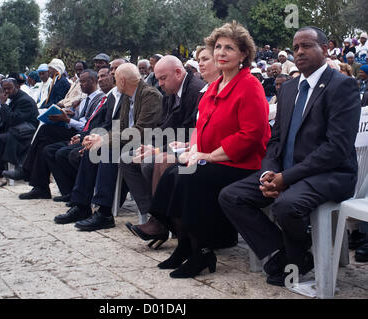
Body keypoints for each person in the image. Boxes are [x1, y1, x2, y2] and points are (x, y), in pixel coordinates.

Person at [219, 26, 361, 287]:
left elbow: (336, 148)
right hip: (286, 172)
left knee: (287, 205)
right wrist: (268, 173)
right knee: (231, 196)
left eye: (306, 45)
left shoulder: (342, 86)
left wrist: (286, 178)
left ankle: (294, 256)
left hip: (329, 174)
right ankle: (285, 253)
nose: (299, 52)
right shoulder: (289, 88)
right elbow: (276, 140)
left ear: (326, 49)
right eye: (295, 47)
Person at [146, 22, 271, 279]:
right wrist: (194, 151)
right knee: (172, 175)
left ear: (243, 54)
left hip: (241, 164)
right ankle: (184, 245)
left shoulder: (250, 85)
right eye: (218, 47)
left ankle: (202, 250)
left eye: (229, 48)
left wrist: (207, 156)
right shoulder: (213, 87)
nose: (221, 53)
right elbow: (202, 129)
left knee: (189, 177)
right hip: (213, 161)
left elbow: (251, 135)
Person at [53, 63, 163, 231]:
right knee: (93, 149)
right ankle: (81, 205)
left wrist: (104, 141)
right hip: (127, 141)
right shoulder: (127, 96)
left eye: (115, 78)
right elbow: (120, 127)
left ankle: (104, 213)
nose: (114, 81)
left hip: (146, 143)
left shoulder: (150, 95)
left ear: (123, 81)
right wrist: (99, 138)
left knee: (106, 151)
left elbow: (140, 131)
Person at [121, 55, 205, 240]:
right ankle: (151, 214)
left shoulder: (195, 91)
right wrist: (149, 145)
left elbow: (190, 132)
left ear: (178, 72)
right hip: (173, 143)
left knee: (150, 163)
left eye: (163, 78)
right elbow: (164, 124)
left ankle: (161, 222)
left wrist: (158, 149)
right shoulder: (172, 90)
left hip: (189, 148)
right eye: (157, 79)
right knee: (128, 158)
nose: (159, 84)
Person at [14, 70, 105, 199]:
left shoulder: (100, 99)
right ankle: (42, 187)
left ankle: (28, 172)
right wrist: (67, 115)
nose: (81, 85)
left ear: (94, 81)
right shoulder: (84, 100)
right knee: (45, 142)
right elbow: (80, 120)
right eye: (80, 82)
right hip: (76, 131)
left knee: (45, 133)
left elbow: (88, 125)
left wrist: (67, 120)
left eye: (84, 81)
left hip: (86, 134)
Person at [43, 65, 120, 202]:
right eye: (99, 76)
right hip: (87, 134)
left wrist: (83, 135)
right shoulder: (90, 99)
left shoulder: (110, 98)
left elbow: (106, 125)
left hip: (104, 137)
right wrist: (71, 117)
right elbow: (86, 121)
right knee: (48, 146)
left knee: (70, 153)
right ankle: (69, 192)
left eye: (103, 76)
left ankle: (83, 197)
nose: (100, 79)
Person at [0, 79, 40, 188]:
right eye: (4, 89)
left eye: (9, 88)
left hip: (26, 135)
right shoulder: (14, 99)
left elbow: (12, 119)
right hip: (16, 131)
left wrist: (3, 105)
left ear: (17, 87)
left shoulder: (24, 101)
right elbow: (3, 121)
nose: (6, 91)